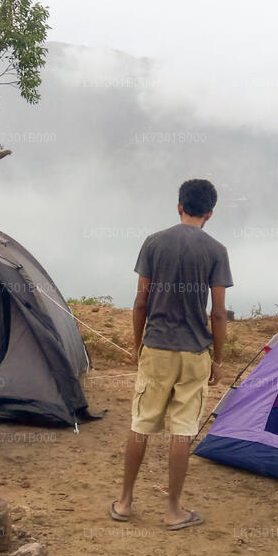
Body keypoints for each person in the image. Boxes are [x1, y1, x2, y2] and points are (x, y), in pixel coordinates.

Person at [111, 178, 232, 530]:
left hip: (156, 347)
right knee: (182, 429)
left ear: (179, 206)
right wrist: (218, 359)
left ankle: (124, 502)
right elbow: (219, 312)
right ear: (210, 212)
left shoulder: (153, 243)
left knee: (140, 424)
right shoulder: (216, 250)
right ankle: (173, 510)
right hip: (195, 352)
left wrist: (138, 346)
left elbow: (140, 301)